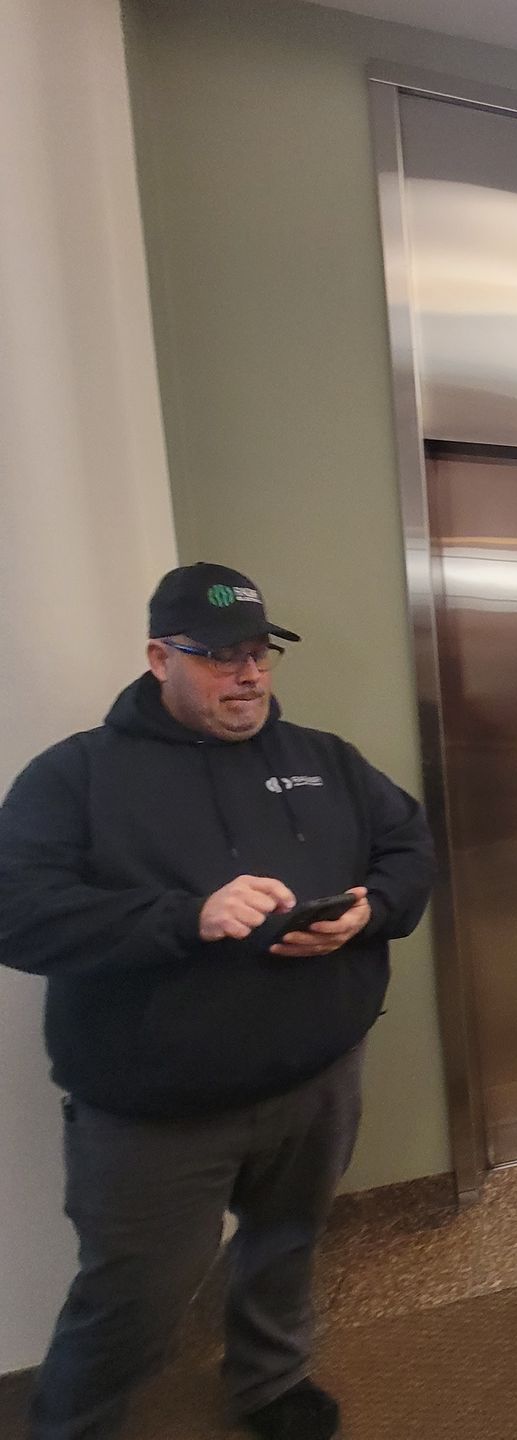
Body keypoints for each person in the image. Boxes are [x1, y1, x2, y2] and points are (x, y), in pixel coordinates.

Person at [0, 563, 435, 1440]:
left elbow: (407, 844)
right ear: (160, 657)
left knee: (285, 1243)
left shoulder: (322, 759)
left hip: (317, 1078)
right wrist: (185, 916)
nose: (250, 675)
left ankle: (270, 1383)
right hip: (158, 1112)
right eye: (221, 656)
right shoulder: (76, 776)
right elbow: (17, 913)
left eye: (261, 654)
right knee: (134, 1298)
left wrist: (368, 913)